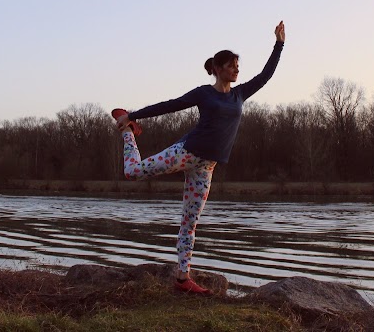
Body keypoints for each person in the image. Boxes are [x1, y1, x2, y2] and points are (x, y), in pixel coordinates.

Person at [112, 21, 286, 294]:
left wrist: (279, 44)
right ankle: (128, 133)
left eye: (237, 66)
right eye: (231, 66)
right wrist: (132, 116)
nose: (236, 70)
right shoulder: (204, 93)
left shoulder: (240, 94)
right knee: (132, 172)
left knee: (189, 222)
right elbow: (170, 105)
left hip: (206, 167)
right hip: (186, 153)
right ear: (218, 68)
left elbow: (266, 75)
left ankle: (183, 278)